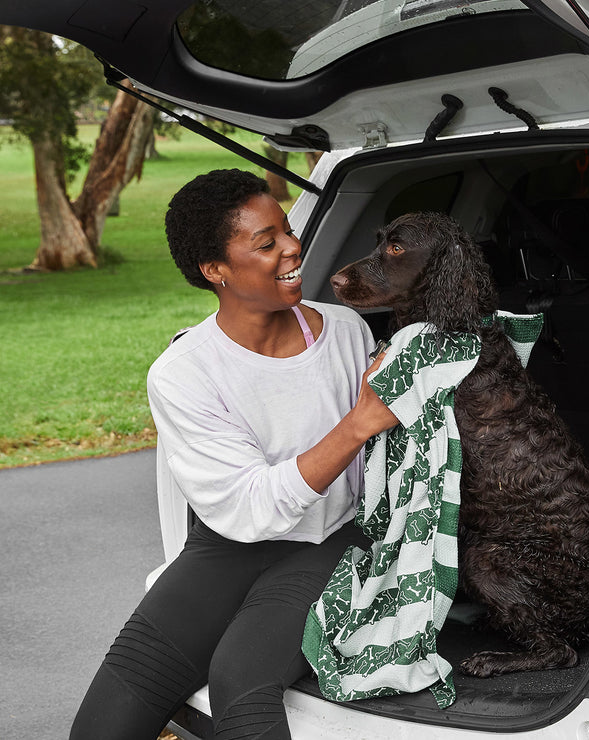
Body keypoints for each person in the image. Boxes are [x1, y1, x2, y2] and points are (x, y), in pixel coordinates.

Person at [70, 168, 398, 740]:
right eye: (266, 243)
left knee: (240, 686)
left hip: (333, 539)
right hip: (230, 545)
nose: (294, 247)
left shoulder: (346, 331)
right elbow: (251, 509)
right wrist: (356, 425)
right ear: (214, 270)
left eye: (288, 230)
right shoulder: (184, 373)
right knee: (102, 728)